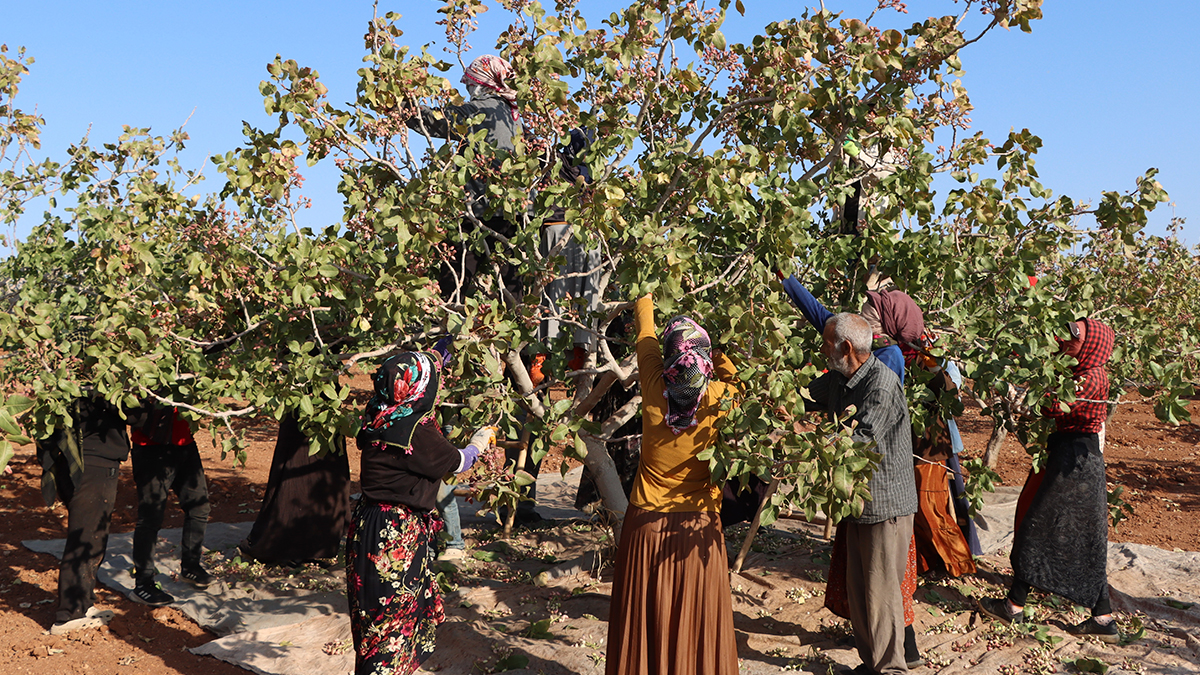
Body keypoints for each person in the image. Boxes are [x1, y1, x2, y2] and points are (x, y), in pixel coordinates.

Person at [781, 274, 923, 666]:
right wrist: (776, 397)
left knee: (882, 595)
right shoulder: (842, 378)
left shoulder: (881, 384)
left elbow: (861, 441)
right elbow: (803, 396)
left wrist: (807, 446)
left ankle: (892, 669)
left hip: (885, 506)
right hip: (858, 502)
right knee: (861, 592)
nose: (821, 349)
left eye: (826, 344)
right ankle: (871, 664)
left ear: (846, 348)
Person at [605, 294, 741, 675]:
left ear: (669, 359)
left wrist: (647, 293)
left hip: (645, 529)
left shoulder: (653, 386)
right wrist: (719, 351)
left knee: (644, 625)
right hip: (698, 532)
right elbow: (738, 382)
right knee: (696, 628)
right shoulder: (721, 397)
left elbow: (645, 332)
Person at [349, 350, 492, 674]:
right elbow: (457, 462)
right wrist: (478, 445)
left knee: (375, 620)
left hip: (368, 526)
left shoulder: (379, 412)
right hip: (395, 534)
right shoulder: (415, 429)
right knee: (391, 626)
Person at [978, 318, 1119, 643]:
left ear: (1091, 346)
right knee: (1078, 536)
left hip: (1075, 461)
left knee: (1040, 527)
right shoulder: (1078, 370)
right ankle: (1102, 618)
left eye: (1075, 338)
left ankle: (1014, 606)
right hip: (1073, 456)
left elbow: (1052, 406)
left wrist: (1021, 391)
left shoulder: (1090, 377)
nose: (1067, 342)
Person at [405, 54, 523, 302]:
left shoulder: (481, 110)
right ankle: (518, 325)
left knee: (453, 278)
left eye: (470, 82)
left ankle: (446, 324)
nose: (467, 87)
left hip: (481, 207)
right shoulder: (512, 113)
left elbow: (437, 121)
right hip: (514, 208)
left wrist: (404, 105)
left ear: (481, 83)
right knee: (511, 283)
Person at [37, 396, 150, 635]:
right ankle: (69, 614)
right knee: (87, 537)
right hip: (95, 464)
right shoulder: (106, 383)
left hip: (71, 459)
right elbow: (136, 416)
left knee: (91, 535)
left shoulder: (72, 379)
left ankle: (83, 603)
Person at [127, 406, 213, 605]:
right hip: (151, 447)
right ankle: (143, 584)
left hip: (185, 442)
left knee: (199, 506)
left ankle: (191, 566)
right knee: (151, 517)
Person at [239, 412, 351, 565]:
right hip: (299, 410)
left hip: (327, 411)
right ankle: (285, 544)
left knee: (325, 468)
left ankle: (317, 544)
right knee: (295, 471)